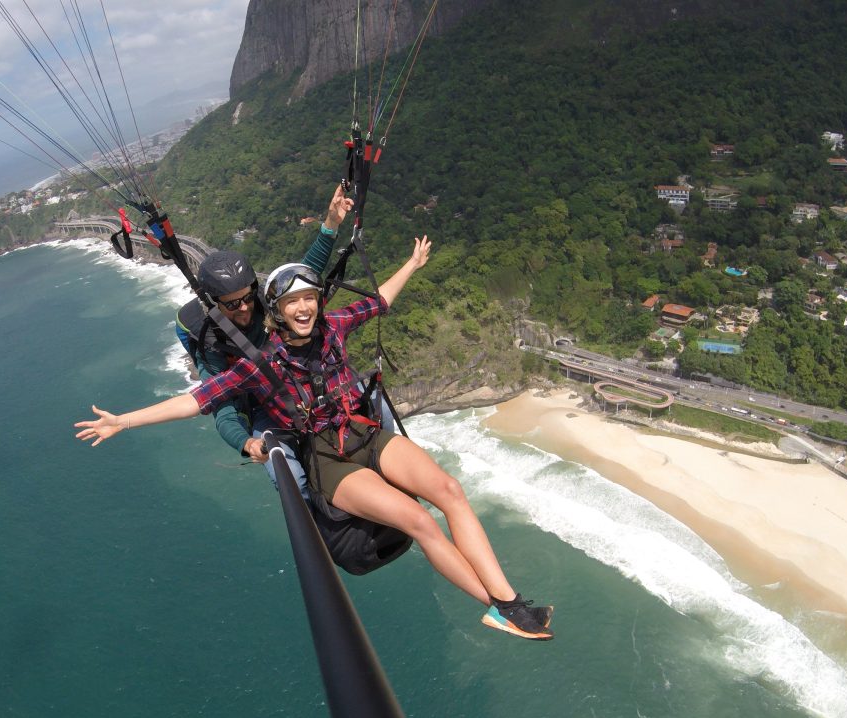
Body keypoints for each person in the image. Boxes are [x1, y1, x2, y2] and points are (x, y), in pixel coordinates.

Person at [76, 237, 554, 640]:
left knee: (450, 491)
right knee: (417, 519)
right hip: (329, 459)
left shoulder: (336, 326)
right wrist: (126, 420)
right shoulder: (261, 363)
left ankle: (510, 598)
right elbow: (199, 399)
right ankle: (499, 608)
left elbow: (379, 300)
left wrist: (411, 263)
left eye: (310, 297)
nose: (304, 306)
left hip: (363, 432)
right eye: (292, 301)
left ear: (318, 302)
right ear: (278, 310)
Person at [173, 186, 353, 475]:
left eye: (247, 297)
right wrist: (246, 443)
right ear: (214, 304)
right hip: (262, 404)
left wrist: (331, 225)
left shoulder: (264, 305)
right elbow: (221, 404)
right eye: (232, 304)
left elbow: (301, 276)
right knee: (287, 475)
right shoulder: (212, 342)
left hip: (300, 384)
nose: (244, 308)